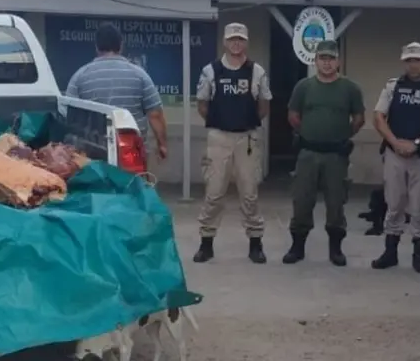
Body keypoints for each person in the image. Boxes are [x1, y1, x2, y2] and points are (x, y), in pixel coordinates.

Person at [193, 22, 272, 264]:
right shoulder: (211, 71)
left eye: (240, 39)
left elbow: (264, 105)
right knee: (214, 193)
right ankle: (206, 243)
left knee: (249, 193)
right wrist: (221, 122)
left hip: (246, 138)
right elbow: (202, 105)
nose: (236, 43)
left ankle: (255, 243)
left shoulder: (257, 71)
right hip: (219, 138)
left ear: (246, 42)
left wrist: (245, 122)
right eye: (231, 39)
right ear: (225, 42)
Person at [282, 40, 365, 267]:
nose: (327, 63)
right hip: (308, 153)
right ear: (315, 61)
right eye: (322, 58)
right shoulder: (304, 87)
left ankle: (336, 249)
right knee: (301, 200)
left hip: (336, 156)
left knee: (336, 203)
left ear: (338, 61)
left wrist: (342, 135)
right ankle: (297, 247)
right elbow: (293, 115)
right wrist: (309, 133)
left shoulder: (350, 88)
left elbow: (359, 119)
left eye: (331, 59)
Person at [371, 42, 420, 273]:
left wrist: (416, 143)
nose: (413, 64)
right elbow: (378, 116)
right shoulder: (393, 86)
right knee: (394, 204)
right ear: (403, 62)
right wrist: (395, 142)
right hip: (395, 154)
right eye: (409, 60)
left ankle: (418, 256)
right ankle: (390, 253)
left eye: (417, 60)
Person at [65, 22, 168, 160]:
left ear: (96, 47)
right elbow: (155, 114)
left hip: (94, 158)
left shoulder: (79, 77)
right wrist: (162, 145)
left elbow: (69, 117)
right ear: (121, 45)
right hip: (133, 155)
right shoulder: (140, 75)